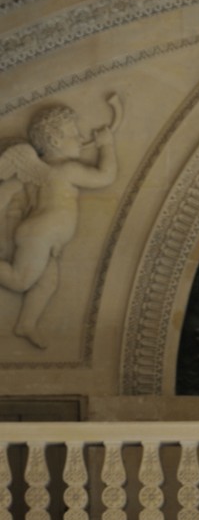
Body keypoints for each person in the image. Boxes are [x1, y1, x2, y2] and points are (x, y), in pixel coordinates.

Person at [0, 95, 122, 347]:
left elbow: (11, 189)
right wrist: (106, 146)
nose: (79, 138)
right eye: (74, 133)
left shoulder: (39, 171)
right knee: (21, 281)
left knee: (47, 283)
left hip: (44, 237)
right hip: (41, 235)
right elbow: (105, 177)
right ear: (55, 140)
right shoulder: (66, 168)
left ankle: (26, 324)